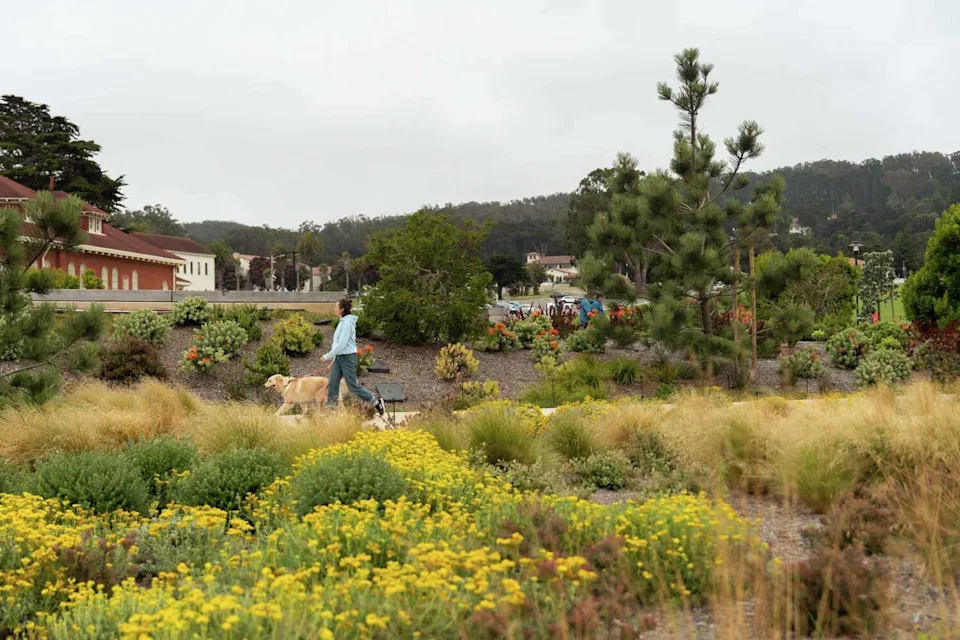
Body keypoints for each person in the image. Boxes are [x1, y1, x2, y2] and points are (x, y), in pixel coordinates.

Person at [315, 299, 384, 416]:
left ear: (342, 309)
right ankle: (332, 410)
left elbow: (342, 344)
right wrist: (334, 359)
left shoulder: (347, 323)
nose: (334, 308)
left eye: (336, 307)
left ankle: (376, 401)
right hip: (339, 358)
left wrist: (327, 356)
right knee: (333, 384)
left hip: (348, 358)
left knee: (353, 386)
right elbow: (338, 345)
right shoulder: (342, 322)